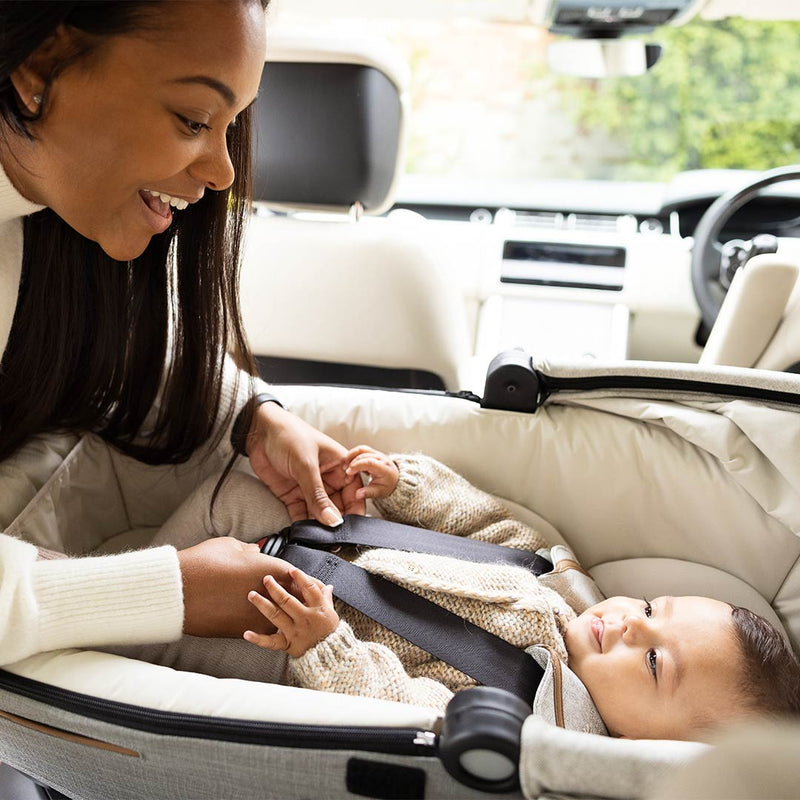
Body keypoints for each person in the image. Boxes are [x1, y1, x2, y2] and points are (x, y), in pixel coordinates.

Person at [0, 0, 364, 668]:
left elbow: (118, 347)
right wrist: (173, 591)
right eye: (194, 120)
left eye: (233, 125)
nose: (224, 173)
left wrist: (252, 416)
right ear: (38, 68)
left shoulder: (60, 214)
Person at [147, 445, 800, 742]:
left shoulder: (530, 722)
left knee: (175, 630)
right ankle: (123, 570)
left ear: (643, 747)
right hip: (326, 545)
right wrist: (407, 487)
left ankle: (109, 607)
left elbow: (403, 708)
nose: (632, 623)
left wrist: (326, 648)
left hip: (284, 640)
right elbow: (489, 526)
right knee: (236, 489)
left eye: (654, 661)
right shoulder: (567, 587)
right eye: (653, 609)